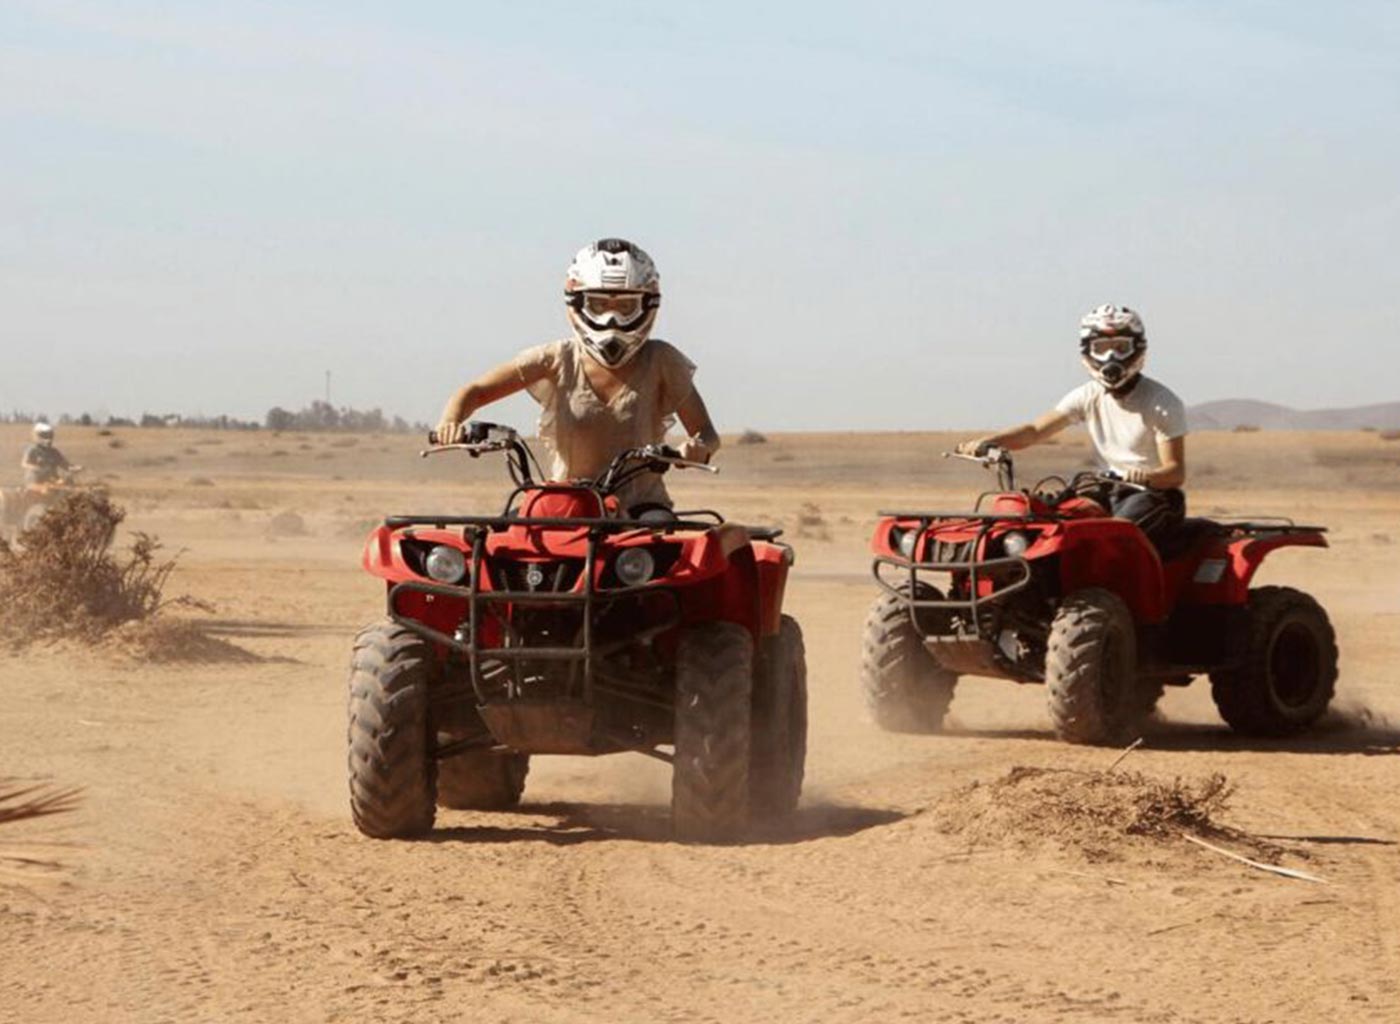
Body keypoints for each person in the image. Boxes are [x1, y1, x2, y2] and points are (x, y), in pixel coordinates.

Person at [435, 238, 721, 511]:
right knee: (506, 541)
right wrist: (450, 422)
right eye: (599, 304)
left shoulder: (661, 360)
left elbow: (707, 433)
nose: (612, 318)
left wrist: (696, 448)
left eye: (625, 306)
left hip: (641, 507)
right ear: (577, 302)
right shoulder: (556, 358)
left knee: (669, 554)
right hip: (565, 502)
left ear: (647, 304)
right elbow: (475, 391)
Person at [957, 304, 1188, 547]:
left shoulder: (1161, 402)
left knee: (1113, 538)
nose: (1111, 357)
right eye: (1102, 348)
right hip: (1103, 489)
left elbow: (1175, 472)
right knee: (1046, 523)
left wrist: (1146, 477)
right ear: (1088, 351)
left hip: (1152, 495)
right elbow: (1035, 431)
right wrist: (989, 442)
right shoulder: (1088, 395)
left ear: (1137, 348)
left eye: (1120, 347)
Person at [21, 422, 74, 488]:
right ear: (37, 436)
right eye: (45, 436)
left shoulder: (54, 451)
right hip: (35, 482)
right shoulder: (32, 450)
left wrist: (73, 468)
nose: (48, 439)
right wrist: (36, 468)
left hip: (52, 480)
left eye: (49, 436)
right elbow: (24, 463)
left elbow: (64, 465)